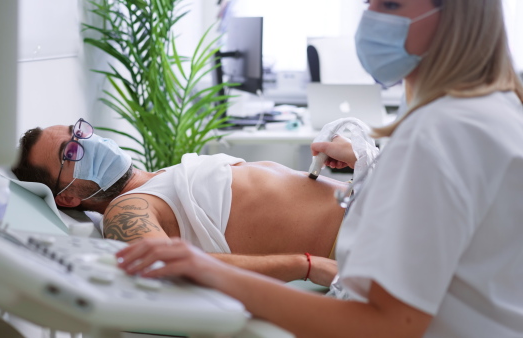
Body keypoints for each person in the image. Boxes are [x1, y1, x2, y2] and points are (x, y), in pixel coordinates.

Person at [114, 0, 523, 336]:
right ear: (68, 194)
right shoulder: (490, 110)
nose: (372, 18)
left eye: (392, 4)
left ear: (459, 15)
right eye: (70, 151)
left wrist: (212, 271)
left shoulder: (437, 132)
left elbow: (386, 325)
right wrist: (371, 168)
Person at [12, 123, 356, 285]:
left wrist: (357, 159)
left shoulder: (167, 173)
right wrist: (306, 266)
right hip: (357, 243)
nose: (89, 143)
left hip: (369, 201)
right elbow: (182, 266)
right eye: (71, 152)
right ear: (68, 196)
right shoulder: (127, 210)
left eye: (79, 132)